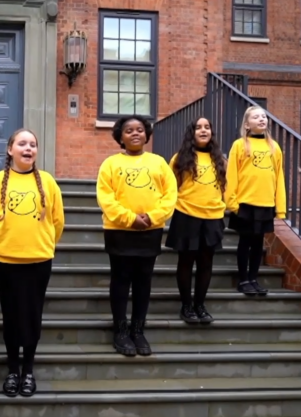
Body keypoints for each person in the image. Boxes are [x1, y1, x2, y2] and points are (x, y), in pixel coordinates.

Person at [0, 128, 64, 397]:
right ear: (10, 150)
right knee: (11, 315)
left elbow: (58, 222)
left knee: (32, 315)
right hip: (6, 260)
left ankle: (28, 370)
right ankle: (12, 370)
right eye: (22, 144)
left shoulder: (48, 182)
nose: (28, 148)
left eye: (33, 144)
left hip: (38, 260)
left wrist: (43, 243)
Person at [96, 115, 177, 357]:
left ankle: (138, 330)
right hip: (119, 231)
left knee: (143, 281)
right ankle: (120, 330)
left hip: (149, 232)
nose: (135, 134)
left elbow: (170, 195)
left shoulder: (159, 163)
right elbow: (106, 198)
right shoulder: (110, 164)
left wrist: (152, 217)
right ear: (120, 136)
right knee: (120, 281)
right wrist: (130, 218)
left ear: (147, 134)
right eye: (129, 130)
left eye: (140, 130)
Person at [167, 117, 227, 325]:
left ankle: (200, 305)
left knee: (205, 263)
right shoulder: (179, 159)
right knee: (185, 262)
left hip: (212, 218)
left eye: (207, 127)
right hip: (186, 215)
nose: (203, 130)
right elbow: (170, 186)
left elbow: (225, 187)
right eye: (198, 127)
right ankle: (186, 305)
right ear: (191, 133)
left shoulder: (220, 159)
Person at [225, 106, 287, 297]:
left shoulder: (274, 146)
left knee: (258, 243)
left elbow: (279, 177)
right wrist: (232, 202)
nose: (261, 119)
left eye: (264, 116)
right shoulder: (239, 145)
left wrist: (280, 208)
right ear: (247, 123)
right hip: (245, 203)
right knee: (245, 241)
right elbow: (231, 174)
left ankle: (253, 278)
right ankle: (243, 279)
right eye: (256, 117)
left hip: (266, 203)